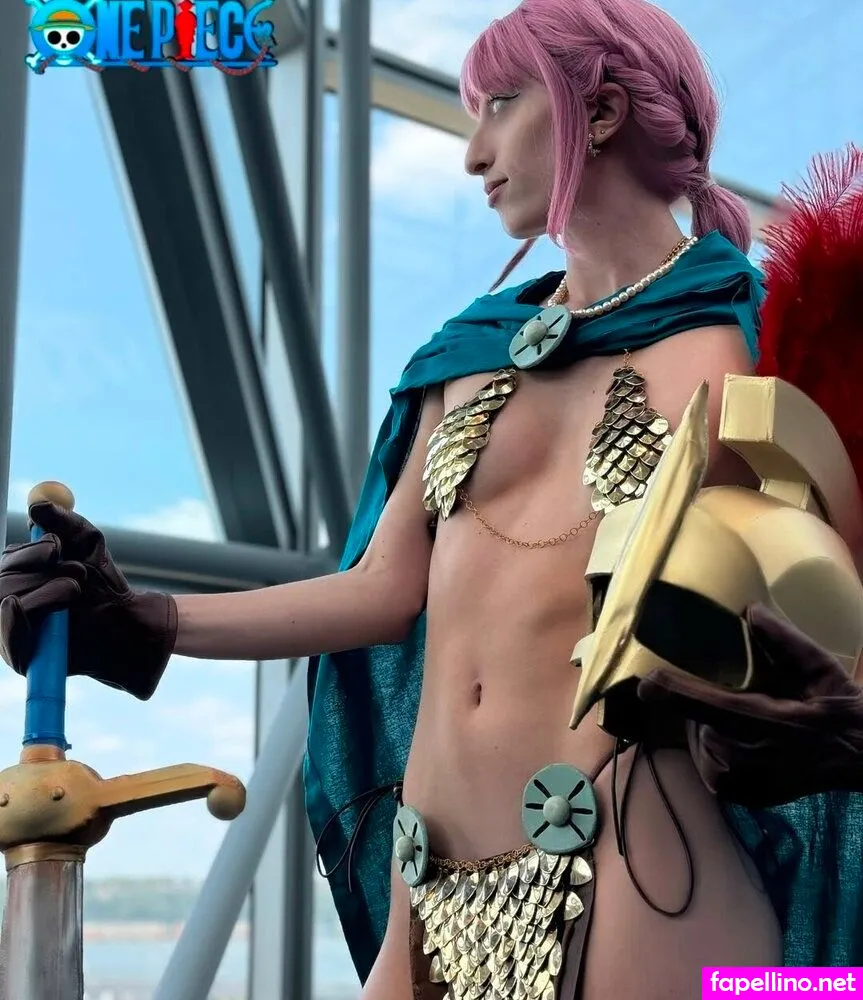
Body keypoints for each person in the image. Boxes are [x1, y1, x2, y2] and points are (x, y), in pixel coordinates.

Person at [2, 2, 863, 998]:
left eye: (501, 104)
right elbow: (379, 587)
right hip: (428, 879)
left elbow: (835, 619)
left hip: (645, 867)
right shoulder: (466, 352)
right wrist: (147, 623)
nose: (473, 153)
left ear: (600, 111)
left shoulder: (752, 349)